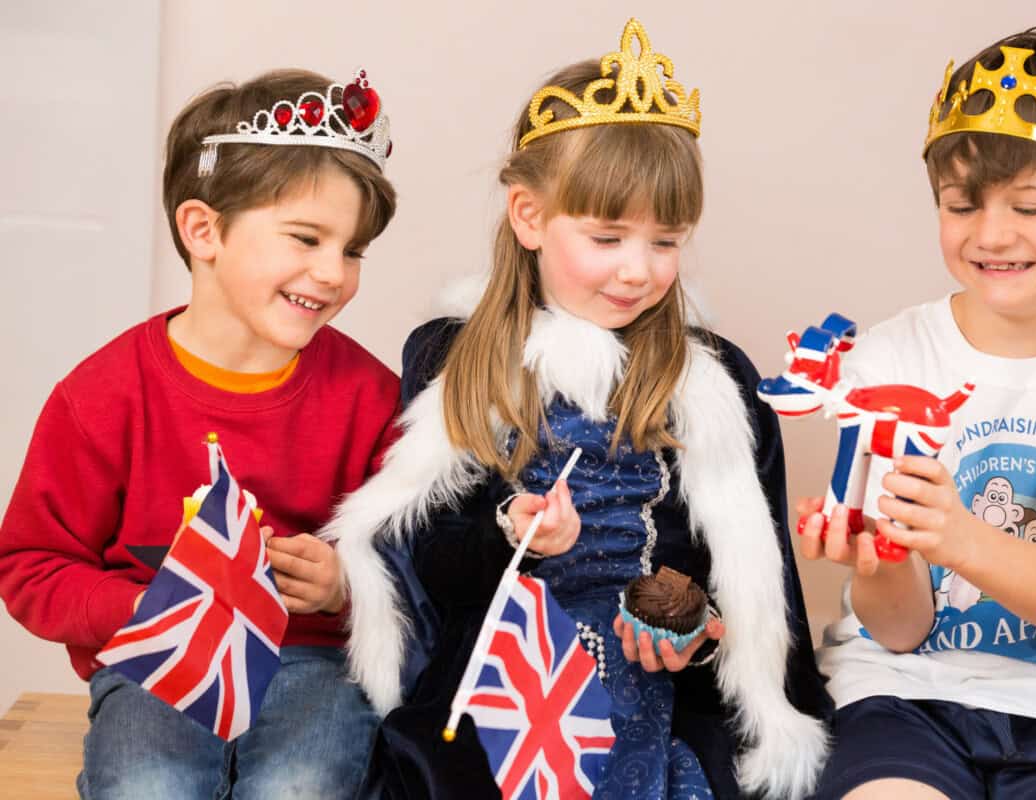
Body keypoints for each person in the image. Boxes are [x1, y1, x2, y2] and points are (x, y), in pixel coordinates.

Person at [324, 18, 831, 800]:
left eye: (666, 242)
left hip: (655, 691)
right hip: (505, 675)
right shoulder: (456, 360)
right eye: (607, 236)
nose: (639, 270)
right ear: (529, 216)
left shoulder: (716, 383)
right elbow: (426, 561)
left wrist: (692, 625)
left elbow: (748, 593)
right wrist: (510, 532)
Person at [799, 27, 1036, 799]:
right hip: (898, 698)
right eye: (961, 203)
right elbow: (902, 629)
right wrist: (876, 562)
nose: (992, 233)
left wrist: (959, 536)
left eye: (1032, 206)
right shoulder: (887, 363)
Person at [0, 67, 400, 798]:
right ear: (203, 229)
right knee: (147, 787)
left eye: (353, 250)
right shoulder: (100, 396)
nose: (333, 272)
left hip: (310, 659)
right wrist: (147, 610)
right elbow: (32, 566)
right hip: (153, 656)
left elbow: (417, 560)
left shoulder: (373, 398)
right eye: (307, 237)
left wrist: (348, 582)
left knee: (301, 788)